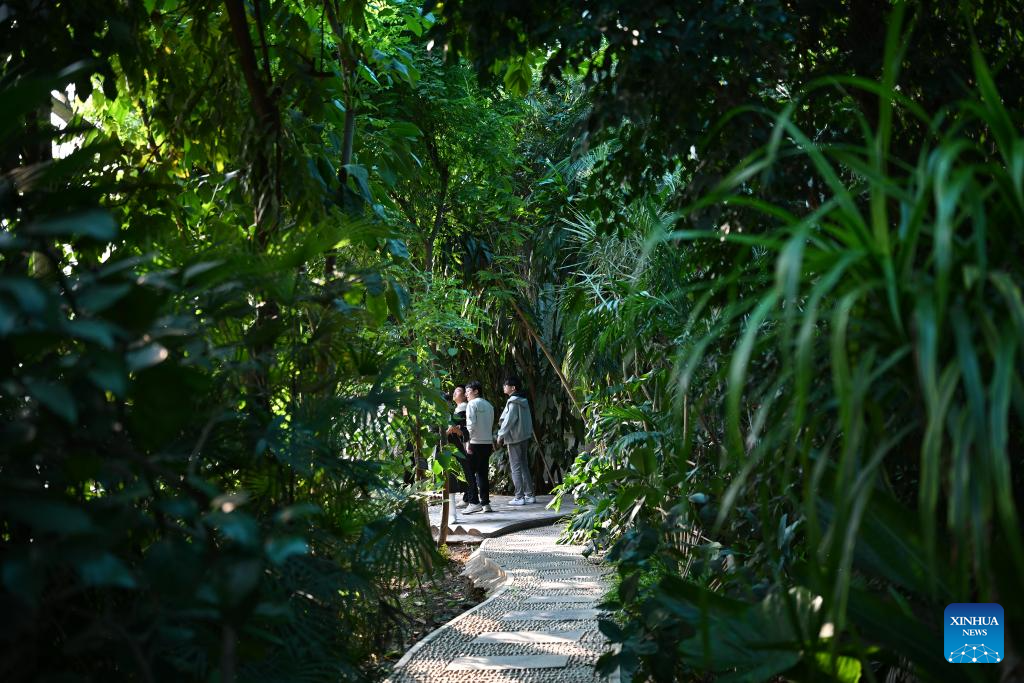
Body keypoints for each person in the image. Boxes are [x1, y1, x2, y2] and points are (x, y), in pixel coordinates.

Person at [496, 375, 535, 505]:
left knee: (515, 467)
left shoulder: (512, 401)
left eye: (506, 385)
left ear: (513, 388)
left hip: (514, 438)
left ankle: (519, 497)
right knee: (524, 465)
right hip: (524, 436)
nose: (504, 387)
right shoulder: (523, 400)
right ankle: (529, 495)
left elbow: (509, 420)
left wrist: (501, 434)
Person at [462, 380, 494, 514]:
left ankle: (474, 502)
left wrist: (468, 442)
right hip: (487, 443)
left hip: (475, 443)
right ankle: (486, 504)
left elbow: (471, 425)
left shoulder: (471, 404)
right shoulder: (489, 405)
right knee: (482, 474)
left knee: (469, 474)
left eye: (468, 391)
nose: (466, 395)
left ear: (476, 391)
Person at [445, 385, 475, 508]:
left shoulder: (463, 408)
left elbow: (460, 429)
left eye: (457, 391)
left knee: (466, 470)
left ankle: (469, 497)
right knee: (464, 470)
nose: (454, 393)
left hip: (464, 444)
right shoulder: (458, 409)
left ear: (463, 396)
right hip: (463, 444)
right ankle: (467, 496)